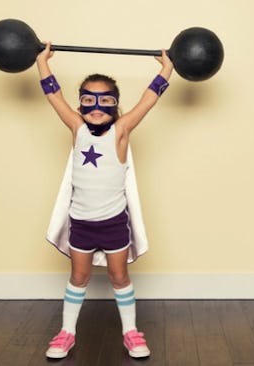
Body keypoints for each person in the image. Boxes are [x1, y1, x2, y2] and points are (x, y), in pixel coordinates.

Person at [35, 41, 173, 359]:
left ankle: (131, 332)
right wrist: (43, 62)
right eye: (88, 100)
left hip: (113, 225)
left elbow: (147, 101)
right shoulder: (77, 127)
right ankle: (66, 332)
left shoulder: (121, 131)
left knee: (119, 276)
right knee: (79, 277)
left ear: (115, 105)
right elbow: (53, 96)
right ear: (80, 104)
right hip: (81, 224)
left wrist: (166, 70)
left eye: (105, 100)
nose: (96, 107)